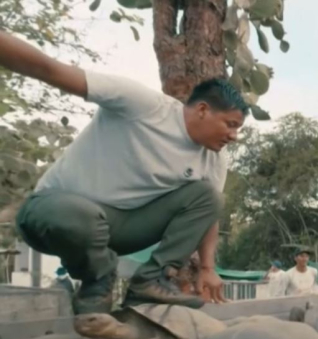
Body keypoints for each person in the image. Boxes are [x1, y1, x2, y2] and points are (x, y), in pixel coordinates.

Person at [1, 30, 245, 314]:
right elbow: (49, 69)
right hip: (52, 214)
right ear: (203, 109)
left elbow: (207, 215)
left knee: (210, 197)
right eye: (230, 124)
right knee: (81, 217)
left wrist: (207, 268)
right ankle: (97, 282)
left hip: (119, 228)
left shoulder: (214, 158)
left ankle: (149, 282)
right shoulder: (142, 105)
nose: (233, 136)